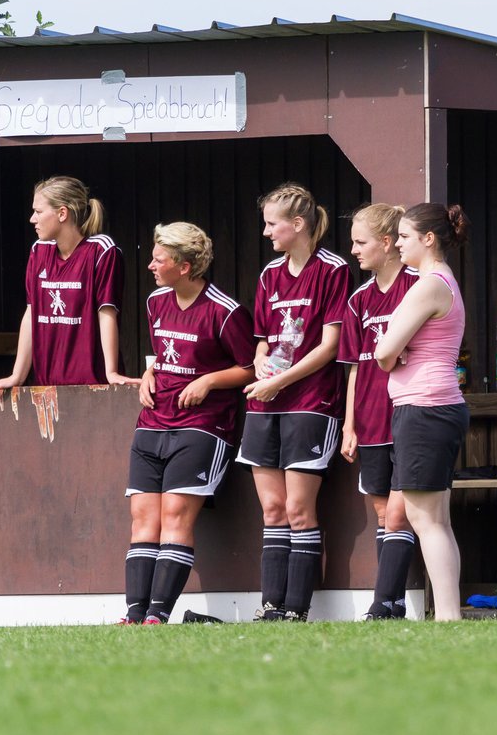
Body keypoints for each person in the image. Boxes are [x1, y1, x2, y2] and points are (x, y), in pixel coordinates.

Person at [120, 222, 256, 624]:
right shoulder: (155, 301)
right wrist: (148, 374)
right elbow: (163, 354)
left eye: (159, 259)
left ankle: (157, 616)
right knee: (143, 517)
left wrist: (209, 381)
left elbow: (250, 369)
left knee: (176, 515)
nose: (150, 265)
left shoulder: (226, 311)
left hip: (203, 425)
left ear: (184, 265)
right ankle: (133, 614)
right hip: (153, 421)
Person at [238, 182, 350, 622]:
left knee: (300, 509)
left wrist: (280, 379)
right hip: (266, 402)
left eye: (271, 224)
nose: (266, 232)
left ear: (298, 224)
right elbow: (262, 342)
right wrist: (262, 365)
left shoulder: (334, 269)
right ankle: (271, 608)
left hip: (311, 400)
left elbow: (329, 347)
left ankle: (296, 610)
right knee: (272, 509)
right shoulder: (269, 275)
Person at [374, 202, 471, 621]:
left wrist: (394, 351)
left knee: (425, 519)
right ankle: (449, 616)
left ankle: (449, 617)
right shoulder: (440, 281)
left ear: (428, 239)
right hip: (435, 406)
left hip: (426, 407)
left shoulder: (428, 284)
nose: (397, 244)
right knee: (436, 519)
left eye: (405, 237)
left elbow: (383, 352)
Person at [337, 203, 419, 619]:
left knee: (402, 512)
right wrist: (349, 425)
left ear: (387, 243)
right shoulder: (358, 300)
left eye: (360, 242)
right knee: (385, 512)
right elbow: (353, 368)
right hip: (368, 422)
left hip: (408, 414)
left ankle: (381, 603)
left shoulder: (419, 286)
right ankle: (395, 604)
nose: (353, 250)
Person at [0, 176, 137, 390]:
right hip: (46, 385)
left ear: (62, 213)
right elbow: (31, 313)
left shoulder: (102, 250)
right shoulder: (39, 250)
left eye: (38, 211)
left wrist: (111, 372)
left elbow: (107, 313)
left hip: (92, 385)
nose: (32, 219)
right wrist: (17, 375)